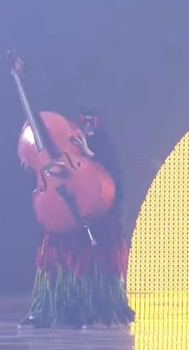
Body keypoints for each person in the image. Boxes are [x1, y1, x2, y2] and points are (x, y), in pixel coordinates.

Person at [19, 107, 136, 329]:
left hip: (96, 215)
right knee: (55, 262)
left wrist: (88, 152)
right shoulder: (65, 140)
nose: (88, 125)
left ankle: (93, 308)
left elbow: (112, 177)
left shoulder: (104, 145)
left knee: (95, 266)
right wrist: (34, 161)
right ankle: (47, 309)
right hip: (64, 210)